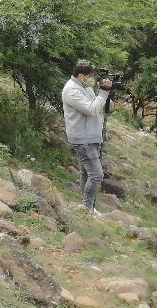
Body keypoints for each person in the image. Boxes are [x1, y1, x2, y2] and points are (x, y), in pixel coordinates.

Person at [62, 59, 111, 216]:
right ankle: (87, 208)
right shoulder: (71, 90)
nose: (92, 79)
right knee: (96, 175)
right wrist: (103, 92)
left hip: (92, 136)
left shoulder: (85, 87)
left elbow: (97, 106)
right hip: (83, 138)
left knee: (86, 173)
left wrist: (106, 100)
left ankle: (86, 207)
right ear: (81, 75)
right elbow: (91, 109)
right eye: (90, 76)